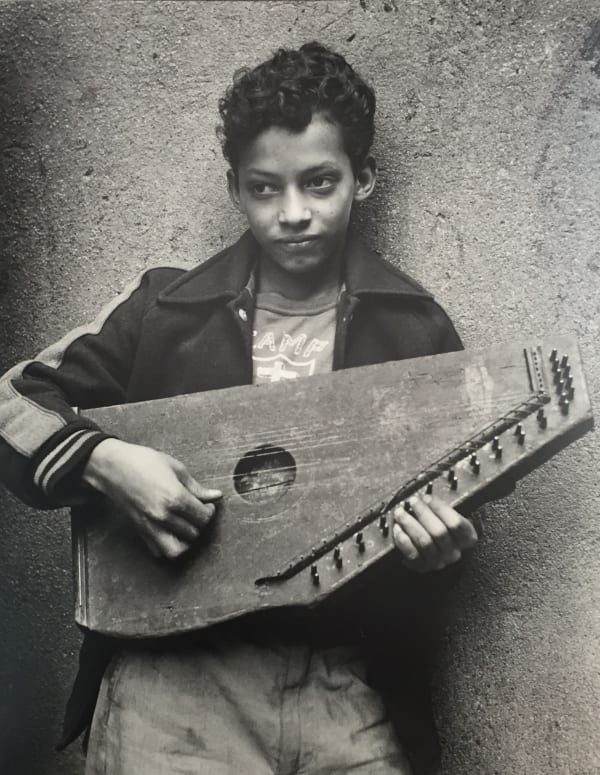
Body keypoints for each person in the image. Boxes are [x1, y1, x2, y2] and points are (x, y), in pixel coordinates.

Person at [0, 42, 482, 775]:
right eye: (265, 189)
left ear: (365, 179)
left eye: (320, 183)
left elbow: (445, 514)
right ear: (235, 190)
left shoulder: (415, 330)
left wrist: (435, 553)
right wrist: (105, 460)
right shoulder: (166, 307)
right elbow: (13, 401)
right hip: (176, 684)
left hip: (346, 682)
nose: (294, 214)